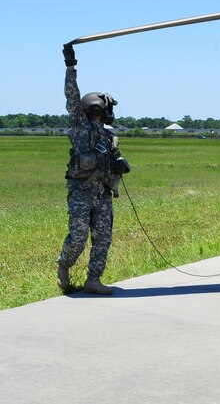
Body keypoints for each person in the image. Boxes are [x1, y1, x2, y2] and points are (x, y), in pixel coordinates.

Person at [56, 45, 130, 295]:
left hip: (103, 195)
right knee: (77, 240)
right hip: (80, 193)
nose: (108, 113)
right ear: (95, 109)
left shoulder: (110, 137)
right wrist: (70, 66)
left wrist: (121, 168)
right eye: (105, 109)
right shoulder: (80, 126)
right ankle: (64, 265)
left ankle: (93, 280)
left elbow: (113, 165)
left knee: (103, 240)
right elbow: (71, 97)